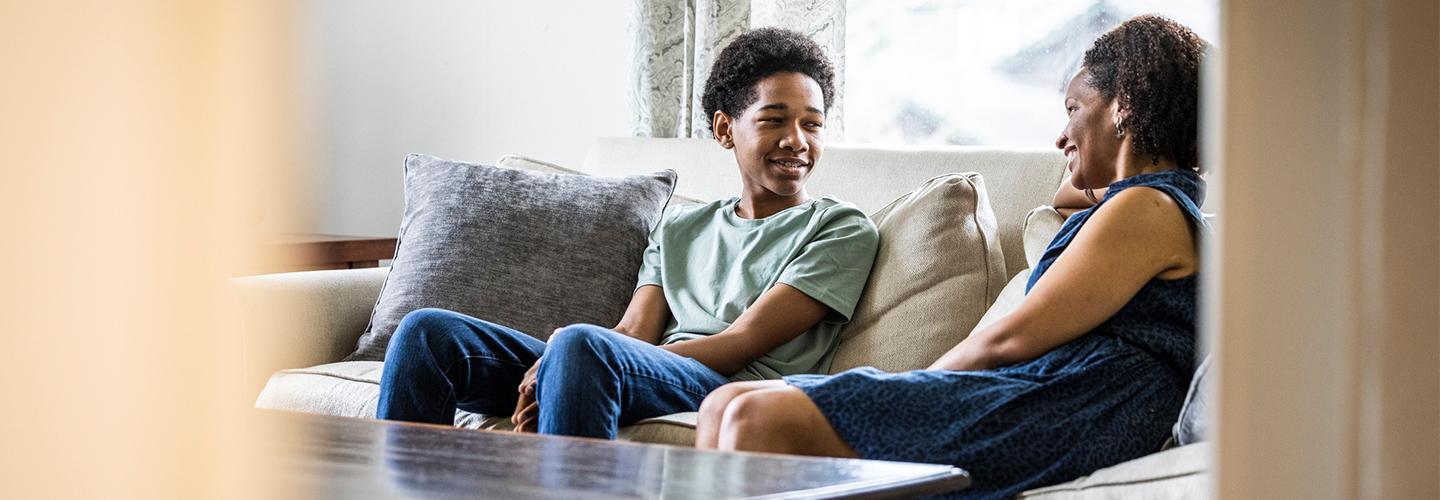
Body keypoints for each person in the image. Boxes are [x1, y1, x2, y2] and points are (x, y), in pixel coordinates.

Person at [695, 15, 1210, 499]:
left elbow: (1008, 339)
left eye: (1073, 109)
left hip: (1084, 402)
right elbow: (1070, 195)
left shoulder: (1146, 207)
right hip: (1069, 393)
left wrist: (920, 384)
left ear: (1123, 107)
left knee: (754, 419)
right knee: (724, 404)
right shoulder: (1140, 201)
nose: (1061, 136)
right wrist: (1101, 153)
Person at [374, 27, 879, 440]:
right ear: (726, 130)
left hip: (732, 385)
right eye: (775, 120)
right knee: (427, 333)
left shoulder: (838, 227)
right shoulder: (684, 227)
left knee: (581, 346)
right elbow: (633, 332)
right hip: (644, 369)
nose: (797, 141)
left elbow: (739, 344)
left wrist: (572, 355)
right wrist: (557, 360)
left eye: (812, 125)